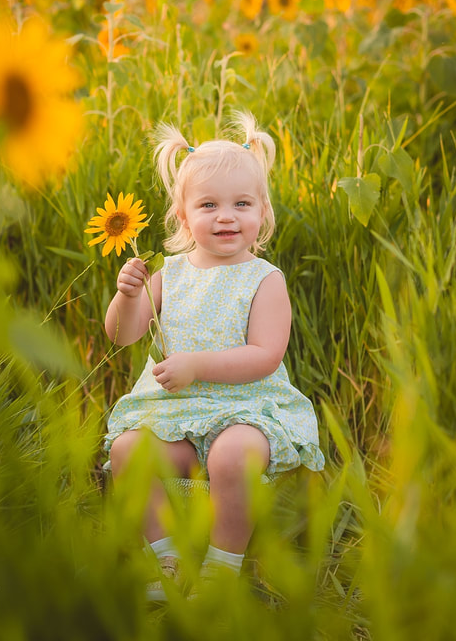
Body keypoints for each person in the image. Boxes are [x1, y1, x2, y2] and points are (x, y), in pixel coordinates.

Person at [103, 111, 323, 601]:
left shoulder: (264, 279)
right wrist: (128, 296)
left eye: (241, 203)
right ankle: (165, 559)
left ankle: (221, 566)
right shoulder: (171, 274)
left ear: (262, 211)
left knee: (233, 454)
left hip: (246, 406)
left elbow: (265, 356)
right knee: (128, 451)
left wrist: (197, 365)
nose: (226, 216)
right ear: (183, 215)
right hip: (174, 411)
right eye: (208, 205)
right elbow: (123, 334)